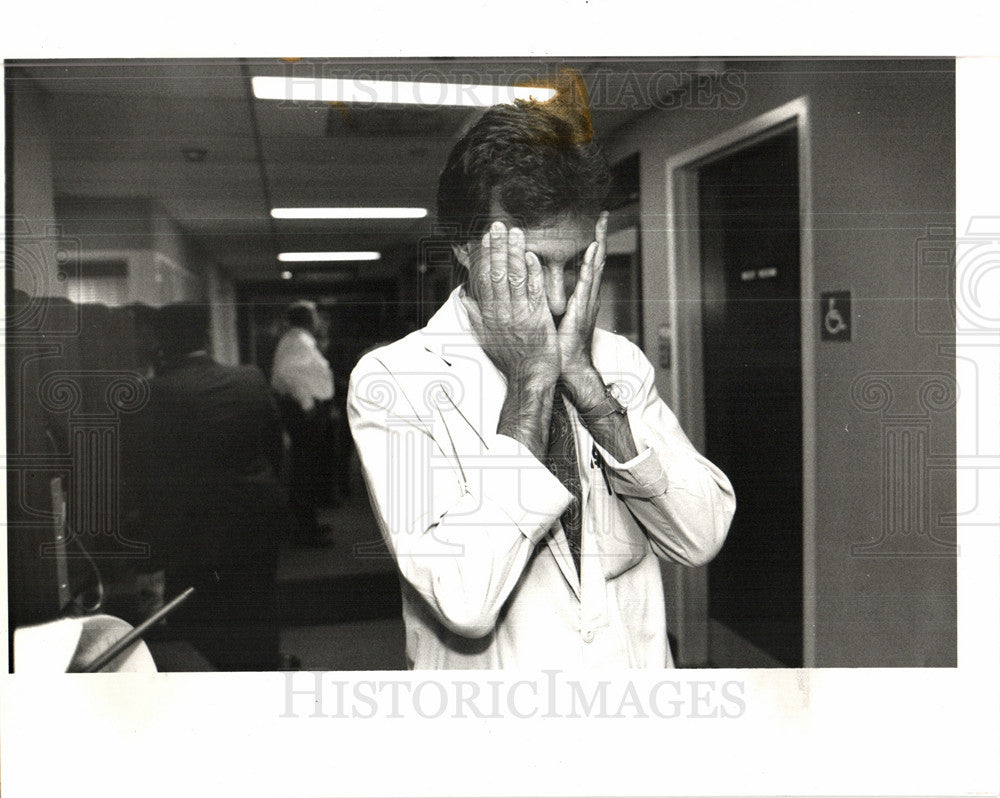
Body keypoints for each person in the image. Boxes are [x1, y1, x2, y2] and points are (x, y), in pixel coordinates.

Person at [347, 94, 735, 669]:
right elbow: (463, 596)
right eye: (529, 265)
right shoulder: (392, 381)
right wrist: (532, 385)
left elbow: (700, 536)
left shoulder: (615, 362)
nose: (557, 299)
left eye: (575, 264)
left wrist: (586, 386)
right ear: (461, 245)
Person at [122, 302, 290, 671]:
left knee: (201, 613)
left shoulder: (148, 396)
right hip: (256, 511)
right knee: (257, 601)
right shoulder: (249, 379)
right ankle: (263, 671)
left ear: (160, 342)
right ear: (208, 337)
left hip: (190, 526)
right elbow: (274, 448)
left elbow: (136, 471)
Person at [270, 300, 336, 545]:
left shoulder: (298, 340)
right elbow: (287, 374)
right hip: (303, 412)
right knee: (305, 471)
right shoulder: (298, 341)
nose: (319, 320)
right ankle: (304, 529)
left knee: (307, 470)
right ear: (308, 319)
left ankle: (308, 523)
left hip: (303, 410)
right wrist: (307, 402)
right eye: (316, 316)